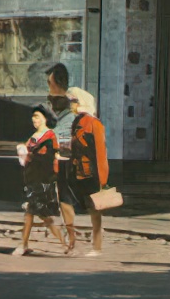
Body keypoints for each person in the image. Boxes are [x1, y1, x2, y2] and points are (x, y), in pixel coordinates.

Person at [58, 87, 108, 257]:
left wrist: (102, 179)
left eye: (73, 102)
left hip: (91, 173)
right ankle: (73, 243)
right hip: (75, 171)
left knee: (94, 210)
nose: (71, 105)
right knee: (69, 204)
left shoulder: (94, 124)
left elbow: (100, 152)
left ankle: (97, 246)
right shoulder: (76, 122)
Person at [14, 107, 70, 256]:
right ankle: (24, 244)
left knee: (42, 215)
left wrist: (29, 156)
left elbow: (49, 158)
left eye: (37, 116)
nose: (34, 120)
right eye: (33, 117)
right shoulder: (33, 136)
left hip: (44, 180)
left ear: (46, 118)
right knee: (31, 213)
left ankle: (65, 243)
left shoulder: (50, 136)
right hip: (32, 179)